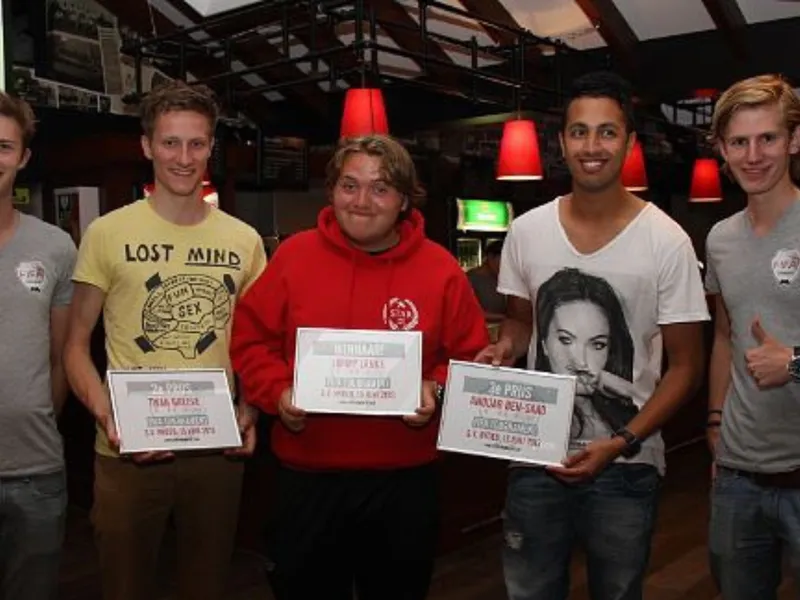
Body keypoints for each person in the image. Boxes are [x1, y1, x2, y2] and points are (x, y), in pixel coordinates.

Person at [475, 71, 709, 600]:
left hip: (627, 462)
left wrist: (622, 441)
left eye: (607, 132)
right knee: (529, 592)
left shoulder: (667, 241)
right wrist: (505, 347)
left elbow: (687, 366)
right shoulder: (527, 231)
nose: (592, 146)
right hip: (535, 454)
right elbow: (520, 321)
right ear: (562, 143)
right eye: (579, 132)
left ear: (629, 142)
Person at [230, 134, 489, 600]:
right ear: (331, 191)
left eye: (380, 188)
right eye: (349, 185)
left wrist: (436, 388)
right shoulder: (294, 257)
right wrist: (277, 392)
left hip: (405, 479)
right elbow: (251, 340)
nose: (362, 201)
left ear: (404, 200)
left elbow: (471, 357)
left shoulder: (441, 269)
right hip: (308, 476)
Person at [63, 80, 265, 600]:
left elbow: (258, 345)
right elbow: (75, 345)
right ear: (147, 146)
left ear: (211, 147)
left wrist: (249, 408)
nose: (183, 157)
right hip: (128, 447)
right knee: (125, 586)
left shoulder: (243, 240)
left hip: (216, 447)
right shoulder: (107, 233)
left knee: (207, 585)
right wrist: (109, 416)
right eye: (170, 142)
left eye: (196, 143)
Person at [705, 74, 800, 598]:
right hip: (739, 474)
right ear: (722, 149)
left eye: (768, 138)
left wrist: (795, 362)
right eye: (739, 142)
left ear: (794, 140)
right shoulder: (720, 239)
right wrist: (715, 422)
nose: (754, 155)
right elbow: (725, 335)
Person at [0, 93, 76, 600]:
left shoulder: (55, 247)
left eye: (3, 146)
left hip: (35, 471)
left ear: (24, 157)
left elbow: (61, 356)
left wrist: (37, 420)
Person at [466, 239, 506, 322]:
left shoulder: (501, 278)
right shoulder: (470, 279)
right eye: (503, 261)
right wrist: (504, 317)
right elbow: (469, 312)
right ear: (490, 257)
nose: (505, 266)